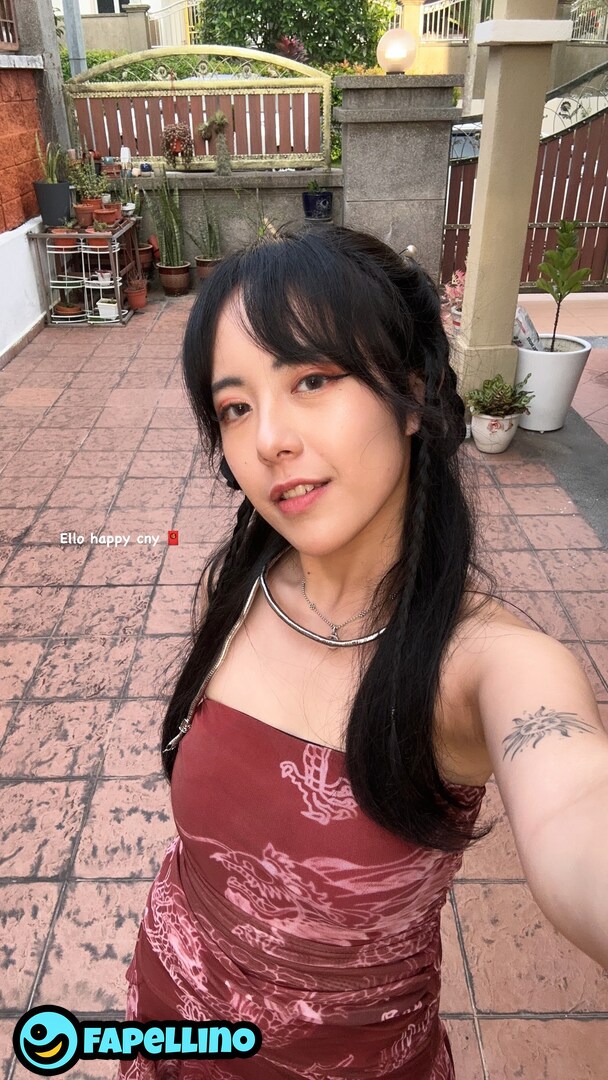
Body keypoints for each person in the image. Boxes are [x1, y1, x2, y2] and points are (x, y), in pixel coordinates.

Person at [119, 226, 608, 1079]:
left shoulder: (487, 666)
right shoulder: (234, 595)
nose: (269, 439)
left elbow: (577, 807)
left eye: (312, 379)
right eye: (236, 407)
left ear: (412, 394)